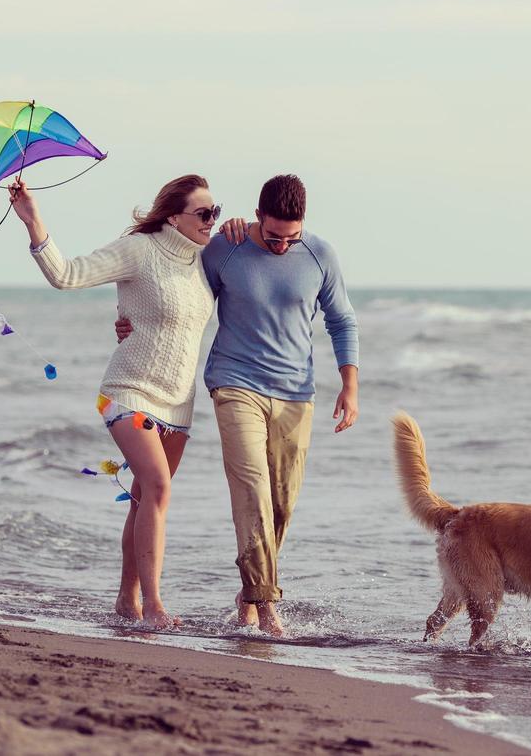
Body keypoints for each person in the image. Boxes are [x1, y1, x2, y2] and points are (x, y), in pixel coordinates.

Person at [117, 173, 358, 636]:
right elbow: (173, 289)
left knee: (281, 503)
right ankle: (266, 605)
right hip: (234, 384)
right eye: (273, 236)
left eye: (293, 237)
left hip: (296, 393)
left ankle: (249, 590)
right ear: (258, 216)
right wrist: (129, 320)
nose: (283, 246)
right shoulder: (223, 248)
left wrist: (350, 386)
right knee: (251, 490)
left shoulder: (320, 255)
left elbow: (342, 320)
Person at [9, 174, 223, 630]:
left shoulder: (204, 262)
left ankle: (127, 600)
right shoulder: (139, 250)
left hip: (178, 405)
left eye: (216, 212)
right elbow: (67, 275)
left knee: (144, 498)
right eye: (204, 213)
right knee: (160, 490)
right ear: (174, 216)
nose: (212, 221)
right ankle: (156, 605)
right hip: (128, 391)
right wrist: (33, 220)